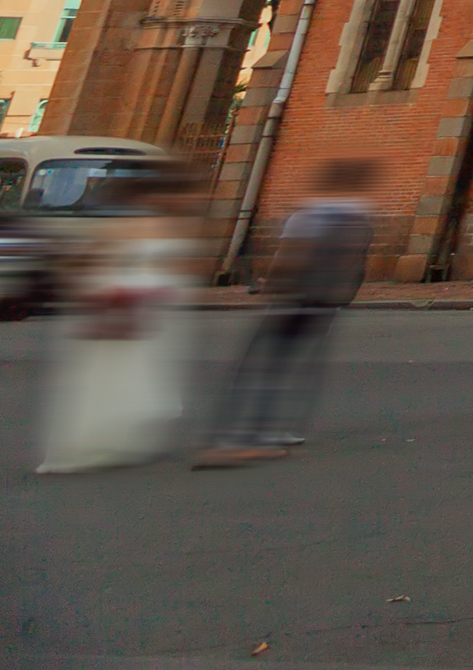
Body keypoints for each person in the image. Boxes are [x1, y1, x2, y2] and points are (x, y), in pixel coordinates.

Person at [195, 158, 374, 467]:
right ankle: (254, 433)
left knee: (265, 364)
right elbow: (351, 264)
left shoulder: (310, 217)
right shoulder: (354, 218)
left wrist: (270, 285)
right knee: (289, 365)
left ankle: (244, 434)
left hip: (298, 298)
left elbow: (290, 257)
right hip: (322, 300)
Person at [36, 163, 199, 474]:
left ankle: (122, 436)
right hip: (126, 306)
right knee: (114, 372)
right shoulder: (132, 224)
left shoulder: (163, 223)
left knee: (133, 371)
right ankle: (100, 438)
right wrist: (110, 293)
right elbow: (92, 261)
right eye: (188, 194)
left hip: (148, 309)